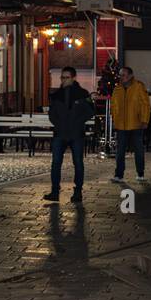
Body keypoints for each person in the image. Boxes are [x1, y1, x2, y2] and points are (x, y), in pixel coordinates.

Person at [44, 67, 94, 204]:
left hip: (76, 133)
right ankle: (55, 191)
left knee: (78, 163)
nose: (63, 80)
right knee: (55, 163)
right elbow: (52, 114)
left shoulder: (83, 94)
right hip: (60, 133)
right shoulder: (56, 95)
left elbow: (90, 112)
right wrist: (58, 124)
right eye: (62, 77)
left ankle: (78, 192)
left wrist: (77, 122)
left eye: (66, 77)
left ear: (73, 78)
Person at [110, 66, 151, 183]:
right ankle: (119, 175)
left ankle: (140, 173)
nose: (121, 77)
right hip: (121, 125)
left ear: (130, 76)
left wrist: (144, 120)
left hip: (136, 124)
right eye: (120, 75)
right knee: (120, 151)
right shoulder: (117, 89)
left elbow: (145, 104)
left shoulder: (139, 87)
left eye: (123, 75)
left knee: (138, 150)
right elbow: (113, 105)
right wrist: (115, 119)